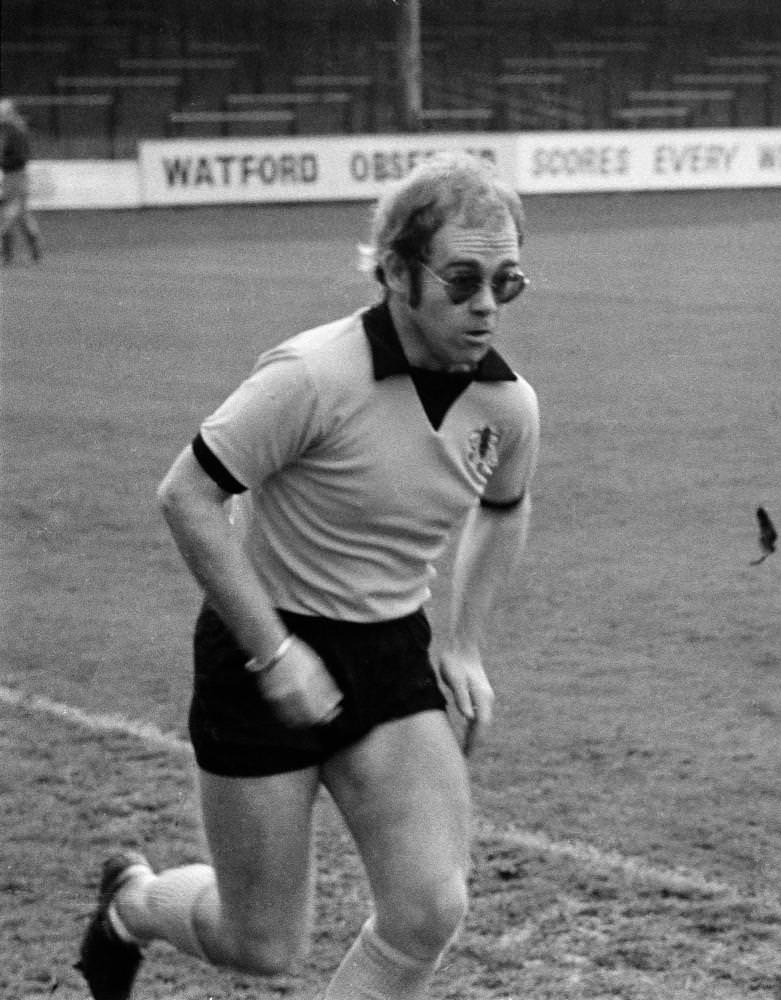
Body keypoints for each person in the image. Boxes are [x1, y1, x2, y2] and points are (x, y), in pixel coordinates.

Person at [75, 153, 540, 999]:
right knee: (260, 942)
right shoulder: (313, 375)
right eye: (462, 280)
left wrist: (464, 644)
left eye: (505, 284)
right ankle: (132, 903)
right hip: (262, 651)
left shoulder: (507, 407)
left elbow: (505, 507)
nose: (483, 308)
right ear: (397, 271)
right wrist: (274, 652)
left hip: (391, 657)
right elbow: (187, 496)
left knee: (429, 908)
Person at [0, 97, 43, 265]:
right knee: (23, 218)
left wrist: (3, 162)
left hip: (18, 178)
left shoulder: (17, 132)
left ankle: (7, 256)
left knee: (8, 218)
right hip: (9, 179)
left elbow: (21, 158)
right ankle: (35, 251)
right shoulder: (5, 131)